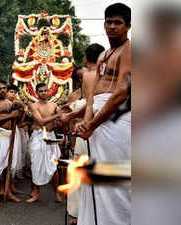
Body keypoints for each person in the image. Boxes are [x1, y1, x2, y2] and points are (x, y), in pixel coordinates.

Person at [75, 3, 131, 225]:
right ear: (104, 24)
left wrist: (93, 124)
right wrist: (85, 123)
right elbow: (91, 96)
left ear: (128, 26)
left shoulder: (130, 51)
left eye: (118, 22)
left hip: (116, 118)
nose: (113, 26)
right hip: (97, 119)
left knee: (113, 179)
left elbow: (122, 92)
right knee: (94, 178)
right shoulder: (103, 56)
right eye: (109, 22)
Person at [61, 43, 105, 224]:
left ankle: (80, 215)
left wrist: (71, 114)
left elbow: (90, 106)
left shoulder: (89, 76)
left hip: (88, 128)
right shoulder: (112, 76)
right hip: (105, 127)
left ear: (86, 59)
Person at [26, 83, 62, 203]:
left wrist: (61, 118)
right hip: (38, 136)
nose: (43, 93)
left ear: (49, 92)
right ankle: (35, 192)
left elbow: (61, 119)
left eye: (45, 91)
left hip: (51, 137)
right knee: (35, 164)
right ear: (36, 93)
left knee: (54, 165)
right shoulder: (33, 105)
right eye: (41, 91)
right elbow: (40, 121)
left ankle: (57, 193)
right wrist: (57, 115)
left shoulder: (54, 105)